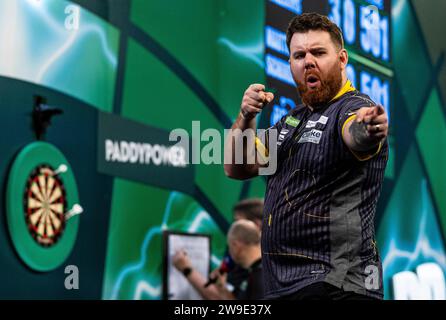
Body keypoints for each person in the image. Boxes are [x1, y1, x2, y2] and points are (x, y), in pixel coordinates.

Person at [224, 12, 388, 300]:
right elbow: (238, 167)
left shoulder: (353, 106)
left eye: (318, 52)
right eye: (299, 55)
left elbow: (356, 133)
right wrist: (246, 116)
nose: (308, 61)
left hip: (336, 286)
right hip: (285, 287)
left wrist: (368, 127)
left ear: (341, 59)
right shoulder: (292, 120)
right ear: (290, 64)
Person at [172, 198, 264, 299]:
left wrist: (187, 270)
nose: (233, 228)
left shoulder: (264, 272)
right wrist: (221, 288)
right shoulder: (245, 266)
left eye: (237, 222)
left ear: (256, 225)